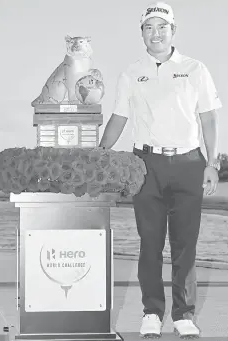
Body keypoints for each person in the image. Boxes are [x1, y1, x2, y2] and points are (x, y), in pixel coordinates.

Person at [99, 1, 222, 339]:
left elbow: (209, 118)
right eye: (149, 27)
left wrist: (212, 163)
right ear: (142, 33)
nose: (156, 33)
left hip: (188, 163)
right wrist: (98, 154)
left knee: (185, 245)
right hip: (146, 165)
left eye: (162, 27)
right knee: (150, 243)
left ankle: (184, 315)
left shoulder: (196, 69)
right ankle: (152, 312)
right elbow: (119, 119)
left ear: (173, 31)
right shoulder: (131, 72)